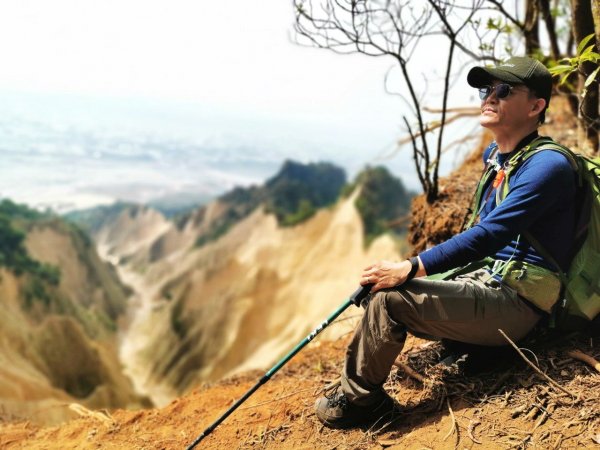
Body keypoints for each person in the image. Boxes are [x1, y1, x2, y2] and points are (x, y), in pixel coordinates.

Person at [315, 56, 577, 429]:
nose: (489, 97)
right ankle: (468, 346)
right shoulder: (499, 158)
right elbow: (480, 233)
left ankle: (362, 404)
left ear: (536, 107)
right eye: (487, 89)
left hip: (519, 301)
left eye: (503, 90)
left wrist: (410, 267)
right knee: (384, 288)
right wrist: (408, 272)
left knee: (391, 300)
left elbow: (490, 234)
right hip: (488, 280)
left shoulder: (547, 166)